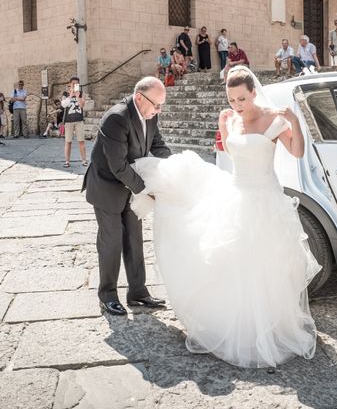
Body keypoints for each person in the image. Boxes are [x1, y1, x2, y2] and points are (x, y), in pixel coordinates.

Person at [130, 66, 320, 368]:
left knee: (264, 264)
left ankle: (269, 325)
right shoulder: (227, 118)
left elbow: (297, 152)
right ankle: (237, 323)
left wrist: (295, 121)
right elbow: (232, 154)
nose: (236, 106)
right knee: (231, 261)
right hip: (236, 193)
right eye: (231, 100)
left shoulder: (273, 119)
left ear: (253, 93)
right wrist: (227, 123)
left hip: (265, 198)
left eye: (241, 99)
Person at [82, 76, 171, 316]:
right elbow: (118, 166)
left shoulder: (150, 114)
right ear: (140, 98)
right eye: (157, 104)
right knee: (111, 241)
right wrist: (145, 189)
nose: (159, 110)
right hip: (107, 187)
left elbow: (158, 145)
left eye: (161, 105)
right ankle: (108, 295)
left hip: (130, 189)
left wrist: (177, 167)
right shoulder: (116, 118)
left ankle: (138, 292)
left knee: (134, 238)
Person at [60, 77, 88, 167]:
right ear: (70, 84)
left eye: (77, 84)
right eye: (73, 83)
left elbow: (82, 105)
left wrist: (77, 96)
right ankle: (67, 161)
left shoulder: (82, 93)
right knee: (68, 141)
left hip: (79, 121)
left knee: (81, 141)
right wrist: (70, 95)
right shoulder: (65, 93)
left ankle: (84, 160)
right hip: (69, 121)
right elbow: (63, 105)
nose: (75, 85)